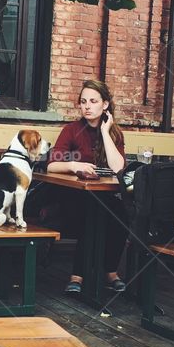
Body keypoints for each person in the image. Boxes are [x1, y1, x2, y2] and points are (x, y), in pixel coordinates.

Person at [47, 79, 128, 295]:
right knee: (90, 212)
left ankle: (110, 271)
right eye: (83, 102)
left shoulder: (114, 133)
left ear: (105, 105)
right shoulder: (72, 130)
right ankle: (77, 276)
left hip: (104, 196)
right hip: (72, 197)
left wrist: (105, 131)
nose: (87, 106)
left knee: (122, 214)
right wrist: (74, 165)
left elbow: (118, 167)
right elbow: (52, 165)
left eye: (93, 101)